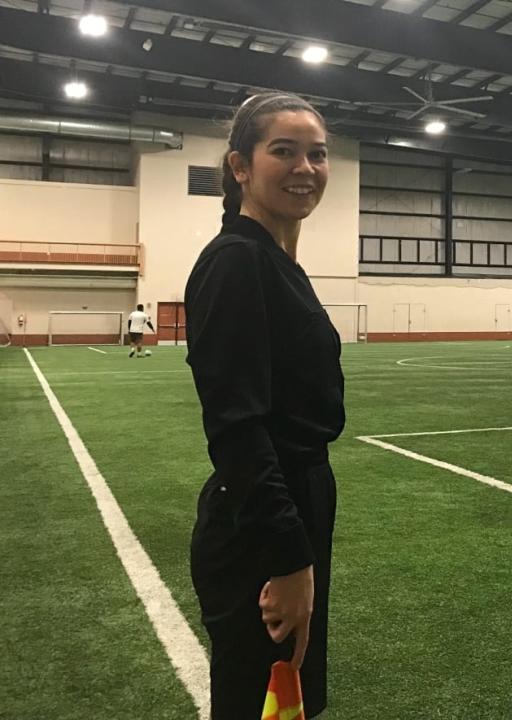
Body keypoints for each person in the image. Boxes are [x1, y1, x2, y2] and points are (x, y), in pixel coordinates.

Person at [184, 92, 345, 720]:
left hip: (298, 499)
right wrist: (287, 557)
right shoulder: (235, 263)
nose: (305, 167)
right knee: (260, 702)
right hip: (261, 521)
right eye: (284, 151)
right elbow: (236, 427)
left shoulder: (277, 261)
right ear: (240, 167)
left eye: (317, 154)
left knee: (291, 699)